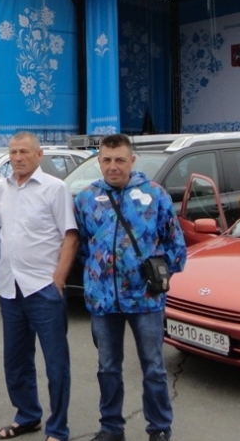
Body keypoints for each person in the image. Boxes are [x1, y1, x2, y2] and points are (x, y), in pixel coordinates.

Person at [73, 134, 187, 441]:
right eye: (107, 160)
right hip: (103, 301)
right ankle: (111, 428)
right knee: (108, 367)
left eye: (120, 159)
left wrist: (157, 276)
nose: (113, 167)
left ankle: (159, 428)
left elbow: (175, 245)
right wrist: (100, 275)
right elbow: (85, 245)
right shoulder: (85, 199)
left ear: (132, 160)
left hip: (146, 300)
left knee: (153, 368)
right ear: (99, 160)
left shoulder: (155, 195)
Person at [0, 132, 79, 441]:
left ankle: (58, 428)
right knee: (16, 361)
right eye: (13, 152)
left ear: (39, 155)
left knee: (56, 364)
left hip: (43, 288)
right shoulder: (1, 189)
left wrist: (57, 281)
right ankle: (27, 416)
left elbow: (70, 236)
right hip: (10, 287)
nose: (18, 157)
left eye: (24, 152)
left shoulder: (55, 189)